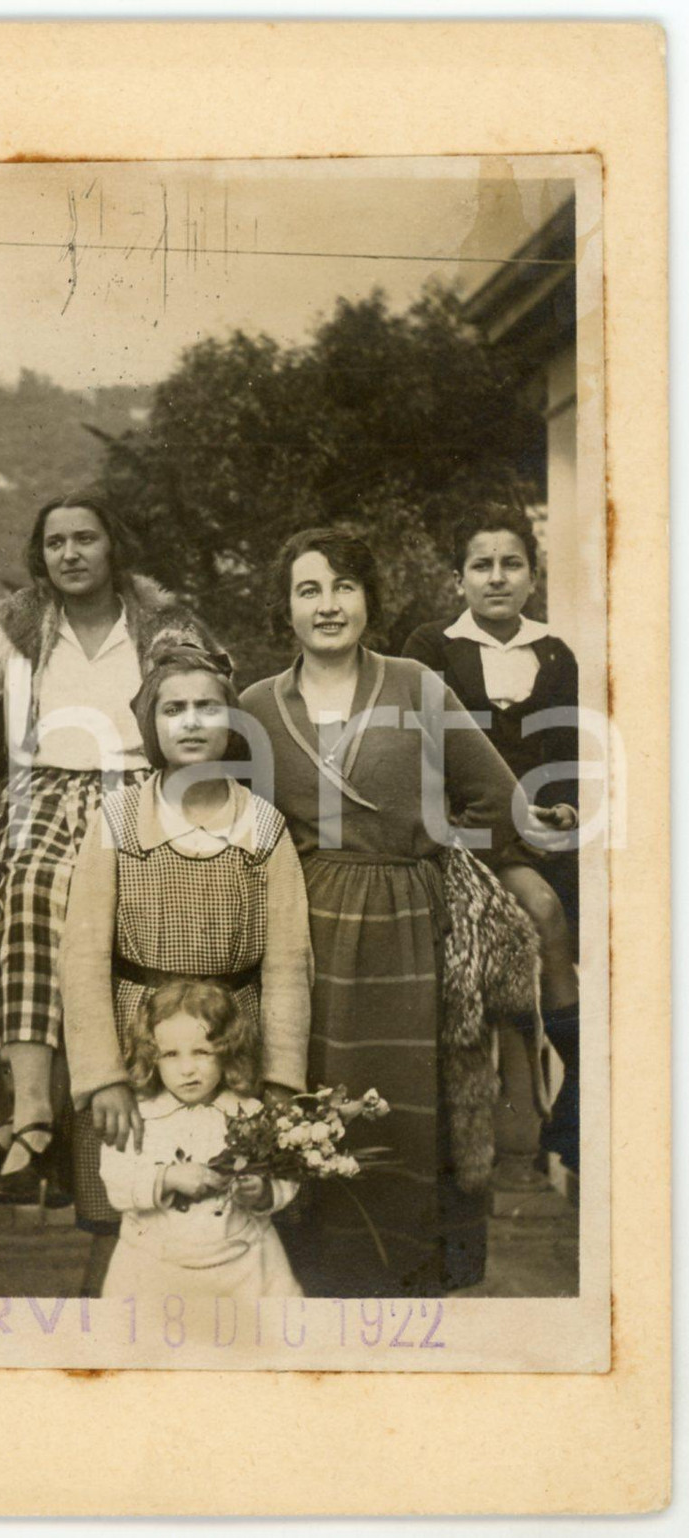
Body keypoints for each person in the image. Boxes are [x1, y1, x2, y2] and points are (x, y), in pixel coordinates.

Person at [240, 526, 556, 1298]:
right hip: (305, 926)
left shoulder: (416, 684)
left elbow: (494, 797)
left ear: (369, 600)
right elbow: (235, 822)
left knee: (415, 1106)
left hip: (412, 923)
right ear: (285, 609)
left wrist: (442, 860)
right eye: (308, 590)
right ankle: (319, 1279)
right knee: (314, 1098)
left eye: (344, 587)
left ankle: (414, 1282)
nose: (328, 605)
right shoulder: (254, 706)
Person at [0, 492, 215, 1204]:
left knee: (111, 913)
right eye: (56, 542)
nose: (71, 554)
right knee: (30, 898)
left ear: (112, 545)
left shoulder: (159, 626)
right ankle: (31, 1115)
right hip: (41, 792)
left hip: (136, 789)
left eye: (86, 538)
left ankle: (96, 1124)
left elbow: (209, 696)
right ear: (41, 556)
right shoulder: (14, 630)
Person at [61, 645, 313, 1294]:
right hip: (135, 1041)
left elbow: (288, 963)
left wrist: (281, 1081)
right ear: (153, 726)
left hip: (232, 1043)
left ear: (232, 721)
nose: (192, 721)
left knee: (232, 1202)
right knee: (120, 1212)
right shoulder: (118, 819)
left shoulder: (262, 826)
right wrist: (103, 1079)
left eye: (208, 706)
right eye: (174, 709)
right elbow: (83, 955)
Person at [402, 507, 580, 1172]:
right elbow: (417, 744)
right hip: (457, 829)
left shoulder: (556, 653)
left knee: (556, 919)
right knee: (518, 924)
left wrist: (563, 805)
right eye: (482, 565)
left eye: (512, 564)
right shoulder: (431, 647)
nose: (497, 578)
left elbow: (564, 750)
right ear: (459, 579)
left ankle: (572, 1097)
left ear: (532, 577)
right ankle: (510, 1120)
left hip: (535, 835)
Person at [99, 978, 302, 1298]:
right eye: (170, 1055)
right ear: (152, 1056)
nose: (187, 1069)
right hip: (156, 1267)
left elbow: (286, 1175)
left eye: (202, 1052)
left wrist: (263, 1192)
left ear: (227, 1051)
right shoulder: (140, 1116)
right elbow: (117, 1183)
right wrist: (166, 1178)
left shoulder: (249, 1113)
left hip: (242, 1265)